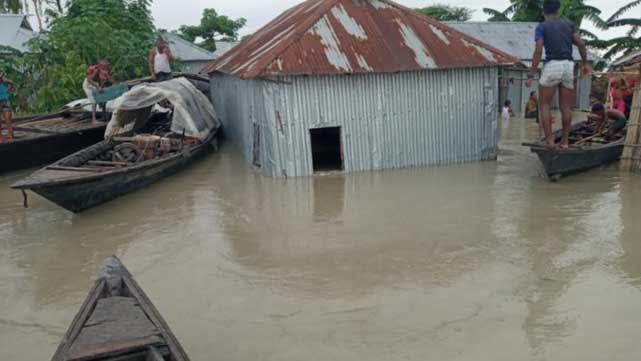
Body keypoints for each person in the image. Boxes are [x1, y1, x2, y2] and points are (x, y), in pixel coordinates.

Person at [525, 0, 590, 149]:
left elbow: (538, 49)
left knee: (544, 105)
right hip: (568, 66)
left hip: (552, 65)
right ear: (558, 10)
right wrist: (585, 63)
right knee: (566, 107)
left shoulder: (542, 27)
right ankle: (565, 142)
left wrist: (531, 74)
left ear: (544, 11)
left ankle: (549, 142)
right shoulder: (569, 25)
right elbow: (580, 43)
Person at [0, 73, 15, 142]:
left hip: (4, 100)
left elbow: (12, 84)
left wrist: (4, 80)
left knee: (8, 119)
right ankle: (0, 138)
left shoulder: (2, 79)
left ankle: (10, 136)